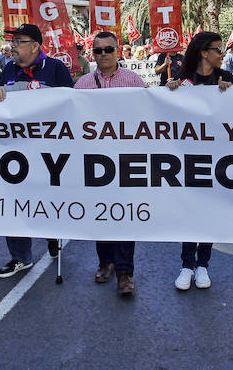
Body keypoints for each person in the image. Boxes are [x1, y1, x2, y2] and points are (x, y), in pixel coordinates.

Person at [0, 23, 73, 279]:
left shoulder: (56, 68)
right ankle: (20, 257)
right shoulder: (7, 69)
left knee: (48, 199)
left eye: (18, 41)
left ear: (35, 46)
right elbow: (1, 107)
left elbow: (72, 106)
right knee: (14, 201)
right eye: (12, 41)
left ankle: (52, 234)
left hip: (50, 151)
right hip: (16, 151)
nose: (12, 46)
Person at [75, 31, 146, 295]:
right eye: (98, 51)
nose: (103, 55)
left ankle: (125, 272)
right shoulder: (82, 84)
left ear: (119, 52)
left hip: (127, 159)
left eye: (108, 50)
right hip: (94, 160)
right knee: (100, 212)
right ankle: (105, 262)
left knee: (126, 214)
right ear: (92, 54)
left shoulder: (133, 80)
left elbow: (152, 111)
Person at [166, 32, 233, 291]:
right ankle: (186, 265)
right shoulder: (182, 80)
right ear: (204, 52)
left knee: (209, 211)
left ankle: (203, 264)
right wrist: (169, 91)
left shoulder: (226, 78)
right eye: (218, 49)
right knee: (190, 211)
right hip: (186, 157)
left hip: (218, 157)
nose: (223, 53)